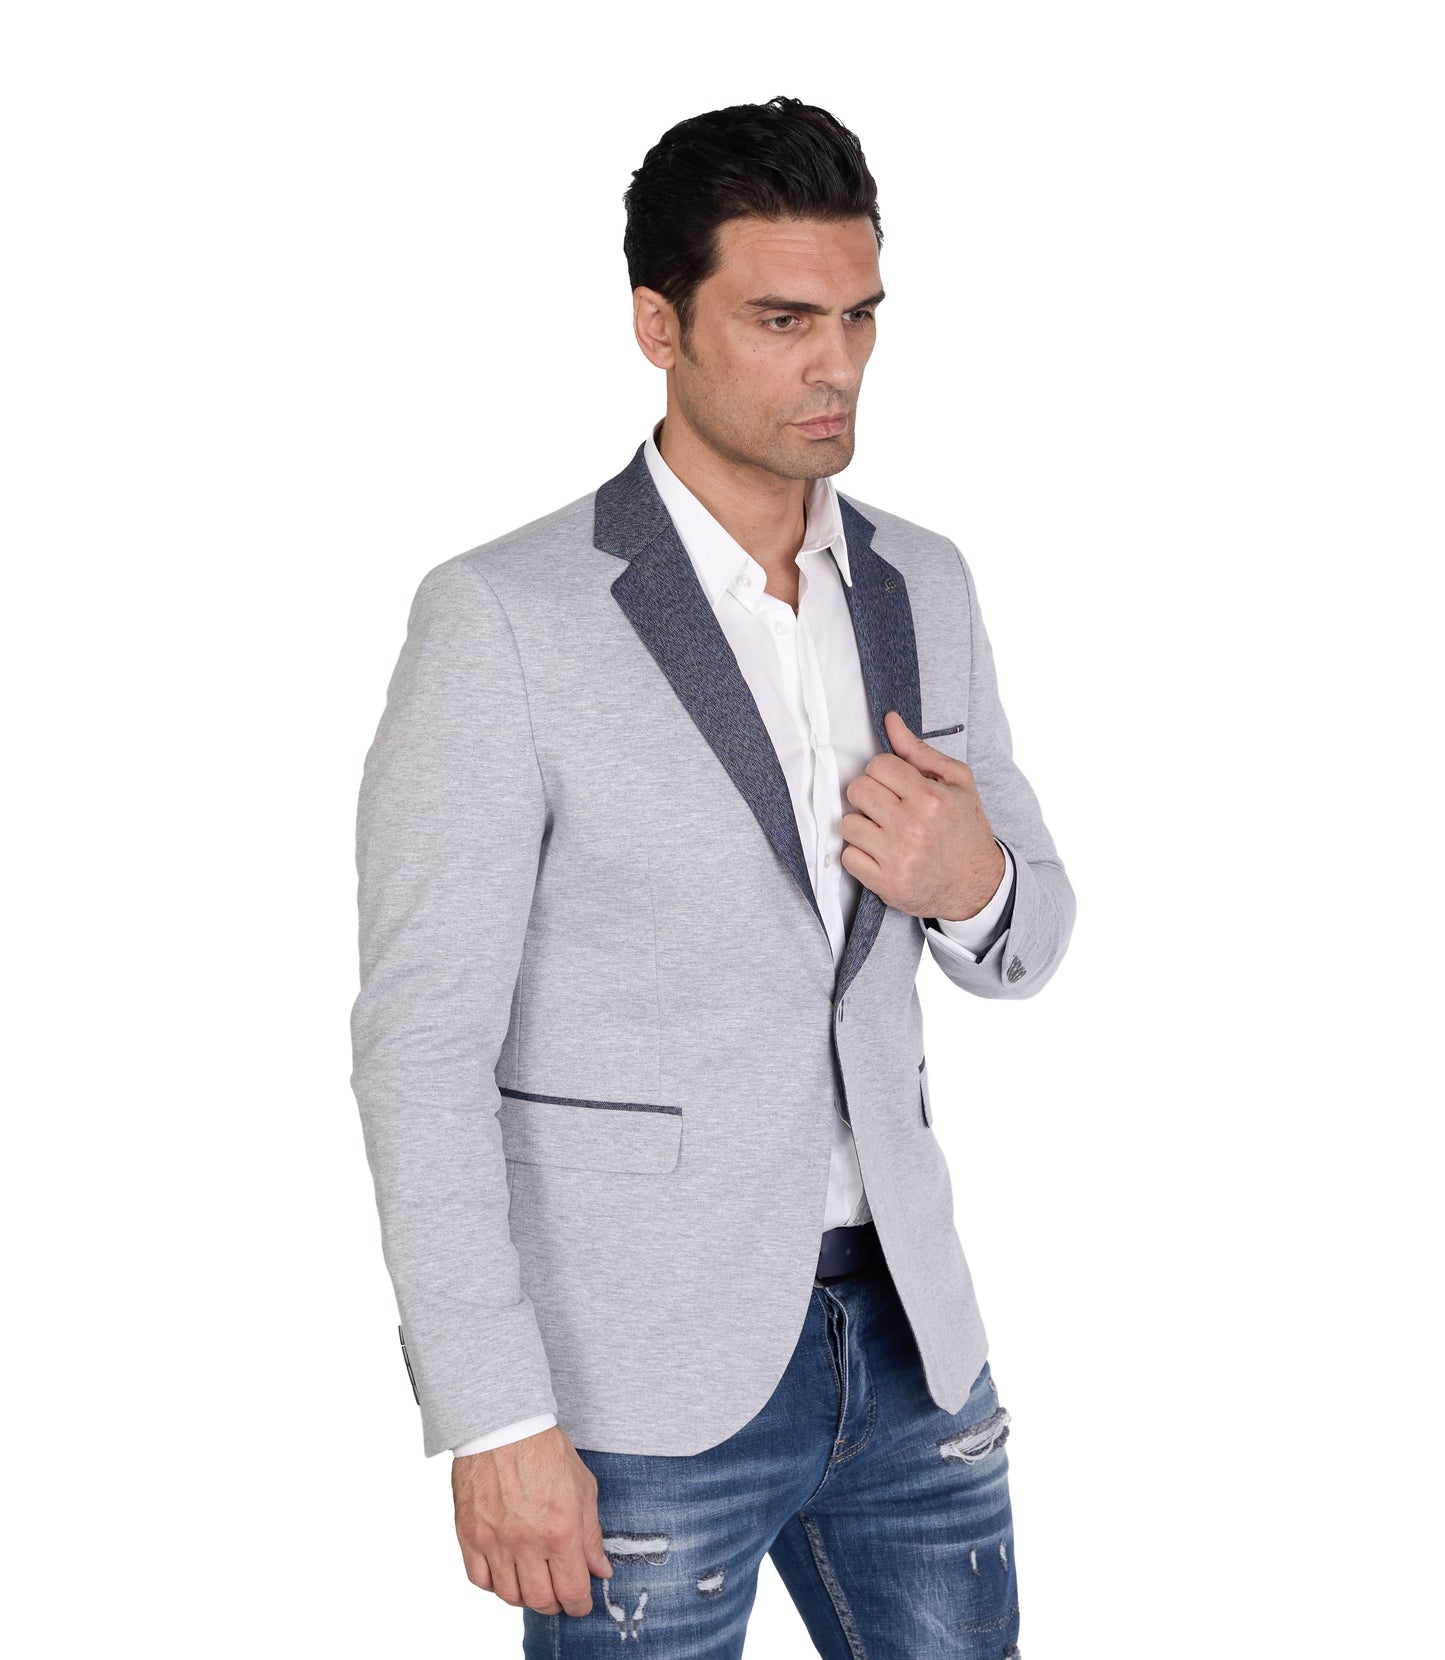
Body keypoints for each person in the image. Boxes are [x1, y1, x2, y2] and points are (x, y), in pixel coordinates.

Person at [350, 94, 1075, 1658]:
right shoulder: (504, 618)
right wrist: (494, 1416)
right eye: (781, 319)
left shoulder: (921, 583)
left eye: (860, 316)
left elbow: (1029, 935)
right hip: (633, 1378)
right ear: (657, 325)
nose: (835, 366)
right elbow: (420, 1050)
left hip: (910, 1345)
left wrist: (969, 880)